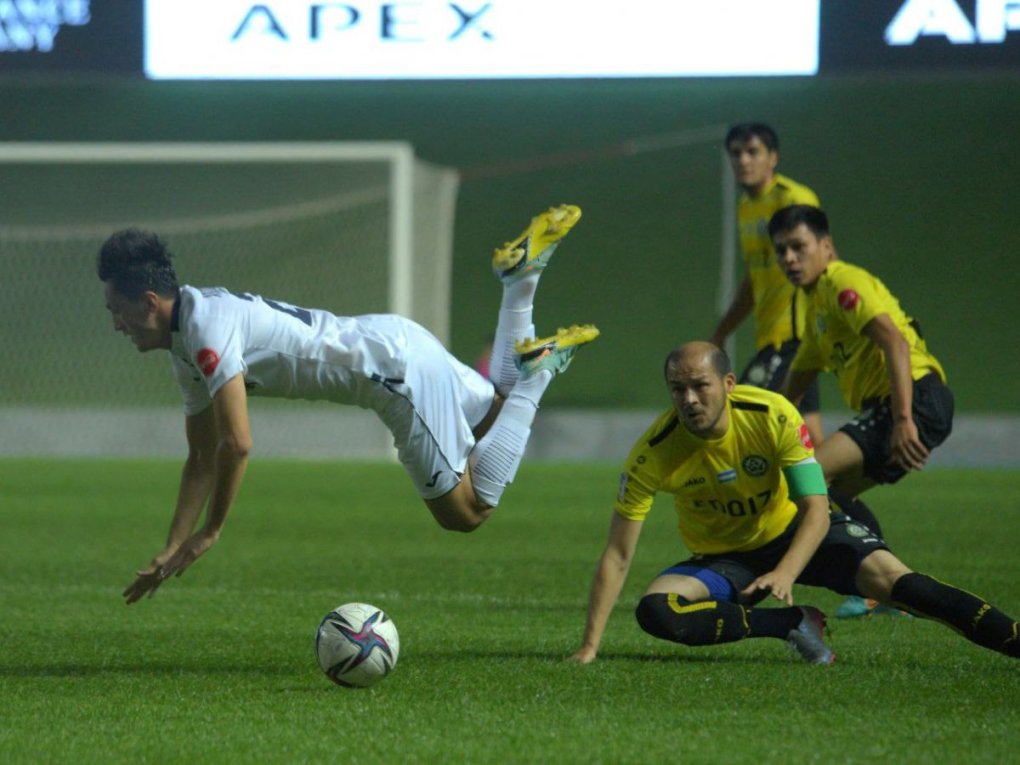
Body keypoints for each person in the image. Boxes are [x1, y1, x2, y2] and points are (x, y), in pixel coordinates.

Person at [98, 205, 599, 604]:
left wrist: (211, 530)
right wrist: (171, 543)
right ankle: (521, 280)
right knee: (496, 415)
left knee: (466, 514)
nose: (114, 324)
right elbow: (202, 457)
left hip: (395, 378)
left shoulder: (206, 335)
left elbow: (236, 443)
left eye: (115, 310)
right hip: (394, 337)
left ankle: (537, 377)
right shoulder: (193, 329)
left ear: (148, 301)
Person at [569, 342, 1018, 665]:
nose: (688, 399)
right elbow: (618, 554)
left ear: (728, 383)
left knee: (907, 588)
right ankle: (790, 623)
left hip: (803, 532)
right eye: (677, 389)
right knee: (657, 610)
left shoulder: (773, 414)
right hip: (727, 560)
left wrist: (786, 571)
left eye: (700, 386)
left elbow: (817, 507)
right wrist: (590, 647)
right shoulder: (652, 453)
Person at [771, 204, 954, 617]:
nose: (790, 259)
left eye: (799, 247)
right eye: (781, 251)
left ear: (826, 246)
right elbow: (788, 394)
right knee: (826, 493)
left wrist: (904, 419)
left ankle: (876, 587)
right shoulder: (817, 308)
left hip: (914, 399)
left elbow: (895, 342)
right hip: (899, 407)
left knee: (811, 475)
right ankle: (889, 589)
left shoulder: (842, 282)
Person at [709, 122, 824, 447]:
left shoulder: (794, 199)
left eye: (752, 152)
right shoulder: (747, 208)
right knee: (810, 439)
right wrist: (722, 332)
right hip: (771, 337)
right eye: (736, 153)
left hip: (793, 337)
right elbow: (753, 280)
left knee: (739, 416)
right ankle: (829, 498)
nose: (743, 160)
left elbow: (825, 261)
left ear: (772, 157)